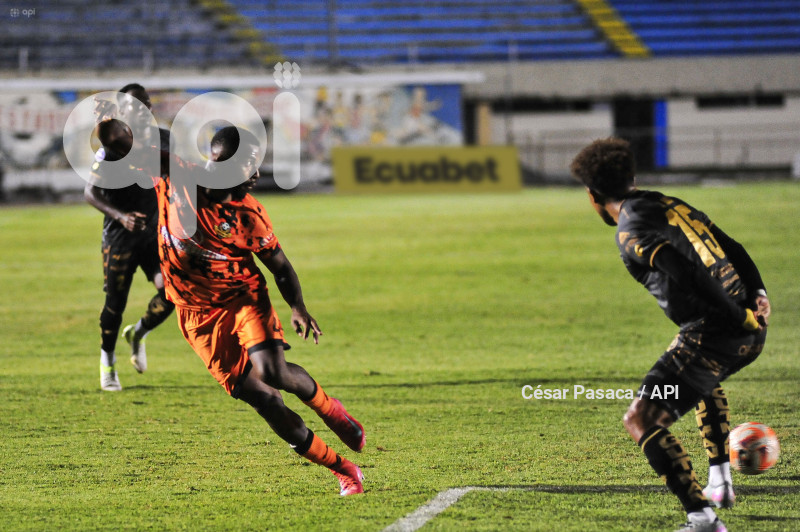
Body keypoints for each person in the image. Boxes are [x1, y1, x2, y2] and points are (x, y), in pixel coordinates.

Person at [96, 118, 366, 495]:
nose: (255, 175)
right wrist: (112, 131)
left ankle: (328, 407)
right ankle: (344, 470)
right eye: (247, 167)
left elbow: (280, 266)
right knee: (266, 402)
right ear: (217, 160)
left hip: (243, 299)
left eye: (257, 165)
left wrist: (298, 307)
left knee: (273, 373)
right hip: (196, 314)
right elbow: (125, 149)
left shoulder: (249, 214)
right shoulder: (177, 175)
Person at [570, 137, 770, 532]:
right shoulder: (671, 203)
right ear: (632, 178)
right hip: (744, 333)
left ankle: (703, 520)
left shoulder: (630, 230)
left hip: (716, 332)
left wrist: (739, 316)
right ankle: (720, 482)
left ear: (592, 196)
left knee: (641, 419)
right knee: (700, 380)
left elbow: (685, 270)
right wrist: (758, 295)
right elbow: (734, 246)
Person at [86, 83, 174, 391]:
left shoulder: (164, 139)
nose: (145, 111)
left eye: (147, 105)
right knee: (115, 304)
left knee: (172, 293)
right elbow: (91, 192)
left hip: (153, 235)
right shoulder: (110, 148)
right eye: (137, 106)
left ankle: (138, 333)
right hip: (120, 238)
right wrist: (121, 216)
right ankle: (107, 362)